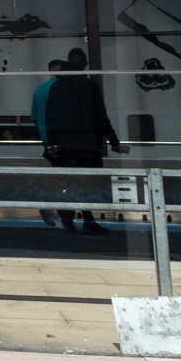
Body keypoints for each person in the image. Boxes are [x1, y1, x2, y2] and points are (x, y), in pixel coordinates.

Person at [44, 48, 122, 234]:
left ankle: (67, 220)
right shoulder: (89, 86)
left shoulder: (55, 88)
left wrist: (51, 145)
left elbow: (50, 118)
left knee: (68, 183)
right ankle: (88, 219)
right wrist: (114, 141)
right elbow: (101, 116)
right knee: (87, 183)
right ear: (83, 66)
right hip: (87, 146)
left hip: (64, 148)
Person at [33, 60, 64, 228]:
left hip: (47, 141)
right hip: (64, 142)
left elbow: (34, 117)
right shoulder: (64, 90)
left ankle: (50, 209)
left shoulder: (40, 90)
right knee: (65, 179)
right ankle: (61, 215)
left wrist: (44, 131)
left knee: (54, 176)